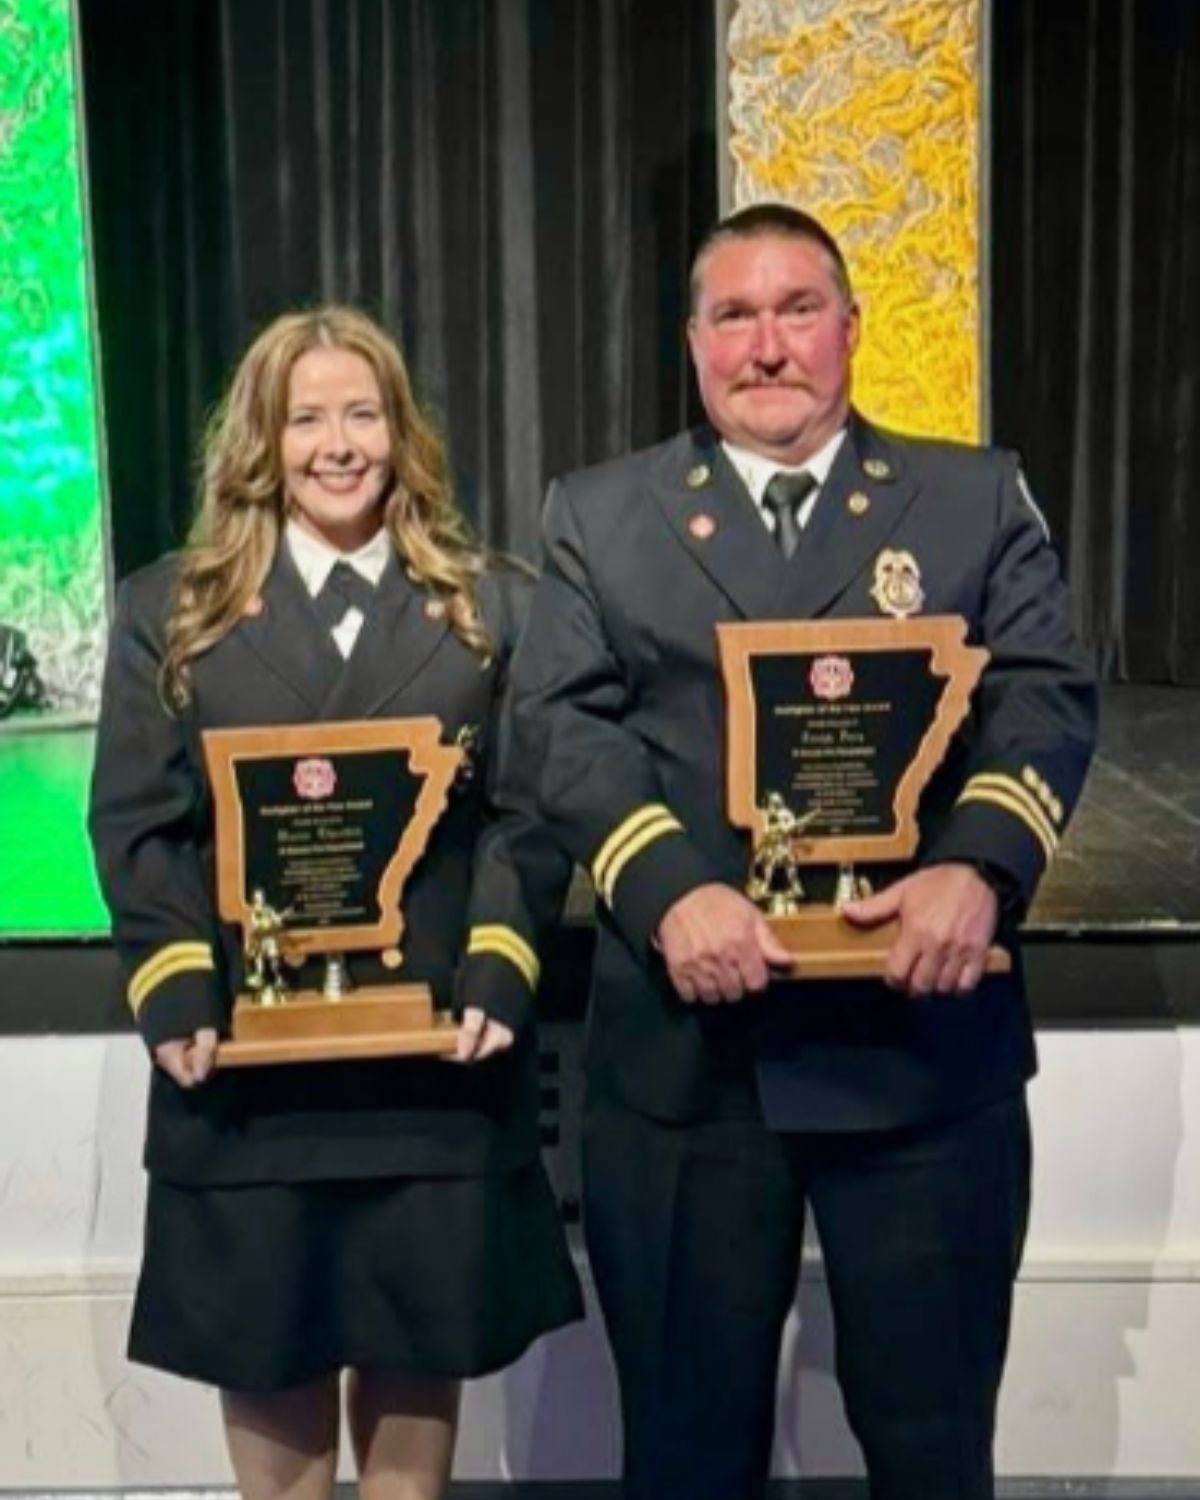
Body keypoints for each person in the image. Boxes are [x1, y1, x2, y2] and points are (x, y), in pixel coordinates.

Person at [503, 204, 1098, 1500]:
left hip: (918, 1048)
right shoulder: (600, 517)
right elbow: (557, 724)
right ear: (694, 344)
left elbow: (1043, 695)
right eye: (734, 314)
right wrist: (667, 892)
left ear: (851, 330)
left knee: (934, 1448)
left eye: (796, 309)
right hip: (685, 1065)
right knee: (685, 1454)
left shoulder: (972, 497)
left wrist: (981, 867)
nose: (766, 345)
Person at [89, 306, 581, 1500]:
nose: (337, 443)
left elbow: (526, 811)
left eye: (362, 413)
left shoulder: (490, 606)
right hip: (249, 1087)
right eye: (306, 417)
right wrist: (178, 990)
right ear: (261, 440)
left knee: (411, 1470)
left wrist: (500, 965)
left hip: (432, 1074)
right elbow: (139, 823)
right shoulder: (173, 612)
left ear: (401, 433)